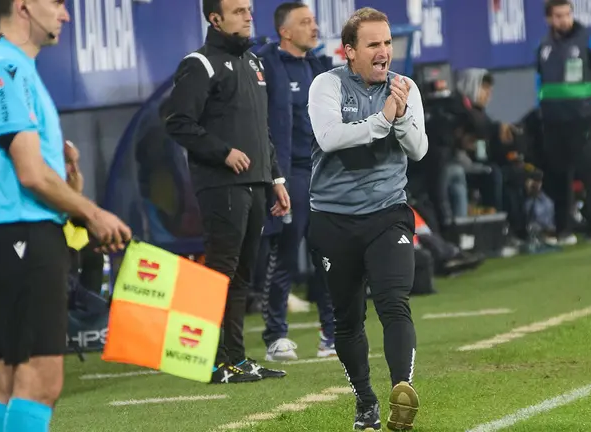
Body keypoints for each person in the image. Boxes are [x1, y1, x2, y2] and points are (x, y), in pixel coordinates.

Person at [0, 0, 132, 430]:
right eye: (56, 3)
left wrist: (69, 187)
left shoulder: (10, 66)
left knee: (11, 376)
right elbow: (31, 175)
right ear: (23, 6)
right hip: (21, 236)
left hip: (14, 235)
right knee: (40, 381)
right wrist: (93, 214)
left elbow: (35, 171)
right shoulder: (4, 69)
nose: (65, 14)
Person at [307, 7, 428, 431]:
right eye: (373, 44)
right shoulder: (326, 85)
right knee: (347, 318)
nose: (384, 52)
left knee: (394, 303)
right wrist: (382, 120)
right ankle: (364, 399)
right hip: (333, 221)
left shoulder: (404, 88)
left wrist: (401, 118)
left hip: (388, 215)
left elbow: (418, 149)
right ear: (350, 52)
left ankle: (402, 392)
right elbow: (330, 137)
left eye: (388, 43)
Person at [163, 0, 291, 384]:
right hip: (221, 185)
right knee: (220, 274)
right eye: (238, 11)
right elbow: (177, 122)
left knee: (242, 277)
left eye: (249, 9)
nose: (248, 16)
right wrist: (223, 153)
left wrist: (277, 178)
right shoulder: (198, 64)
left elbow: (260, 128)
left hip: (255, 184)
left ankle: (235, 360)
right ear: (215, 19)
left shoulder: (253, 62)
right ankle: (212, 361)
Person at [255, 2, 335, 362]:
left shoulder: (322, 67)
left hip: (325, 174)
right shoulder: (267, 65)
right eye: (305, 22)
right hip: (290, 176)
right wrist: (275, 177)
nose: (314, 28)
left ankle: (332, 334)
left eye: (314, 21)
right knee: (284, 254)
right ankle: (276, 336)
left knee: (330, 256)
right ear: (285, 32)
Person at [536, 0, 591, 246]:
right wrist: (540, 103)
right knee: (558, 176)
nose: (564, 19)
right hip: (554, 122)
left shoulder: (588, 40)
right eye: (558, 15)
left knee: (590, 173)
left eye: (567, 14)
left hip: (584, 121)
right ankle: (564, 230)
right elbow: (539, 78)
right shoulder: (543, 46)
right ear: (548, 19)